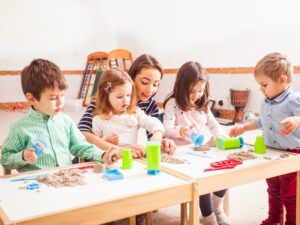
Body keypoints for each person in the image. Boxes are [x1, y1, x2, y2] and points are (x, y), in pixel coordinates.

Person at [0, 59, 116, 173]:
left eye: (62, 95)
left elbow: (80, 145)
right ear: (31, 98)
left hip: (65, 179)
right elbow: (5, 159)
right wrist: (22, 156)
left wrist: (101, 154)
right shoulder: (20, 127)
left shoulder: (65, 121)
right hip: (37, 184)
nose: (60, 102)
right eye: (53, 98)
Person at [229, 52, 300, 225]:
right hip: (272, 153)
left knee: (290, 194)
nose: (261, 89)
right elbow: (262, 121)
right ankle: (274, 218)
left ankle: (292, 221)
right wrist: (244, 128)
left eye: (264, 85)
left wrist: (297, 120)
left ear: (282, 80)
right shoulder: (265, 101)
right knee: (273, 189)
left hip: (291, 155)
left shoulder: (293, 100)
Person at [163, 61, 230, 225]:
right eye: (192, 91)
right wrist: (181, 130)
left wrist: (221, 137)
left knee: (226, 171)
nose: (196, 95)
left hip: (200, 150)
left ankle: (217, 208)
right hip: (181, 154)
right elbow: (166, 129)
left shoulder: (203, 104)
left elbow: (213, 125)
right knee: (203, 181)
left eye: (200, 90)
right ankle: (208, 217)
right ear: (181, 87)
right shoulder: (173, 104)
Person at [78, 54, 175, 157]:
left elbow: (153, 132)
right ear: (131, 78)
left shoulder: (147, 106)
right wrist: (120, 150)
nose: (150, 90)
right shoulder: (103, 102)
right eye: (144, 82)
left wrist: (161, 141)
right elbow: (82, 134)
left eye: (155, 84)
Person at [92, 67, 164, 152]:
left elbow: (154, 123)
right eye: (119, 96)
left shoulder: (134, 112)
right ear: (106, 97)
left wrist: (157, 135)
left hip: (133, 161)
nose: (125, 100)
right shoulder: (99, 120)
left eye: (128, 95)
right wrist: (104, 141)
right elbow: (92, 148)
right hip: (111, 162)